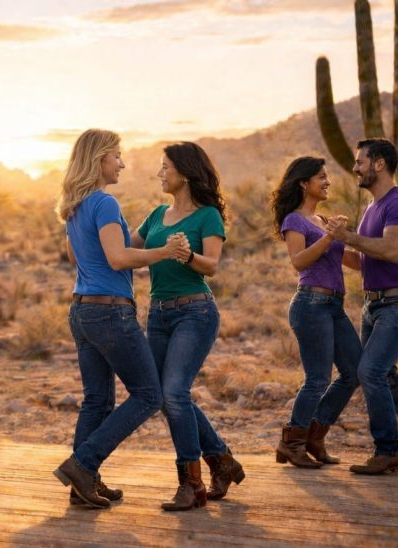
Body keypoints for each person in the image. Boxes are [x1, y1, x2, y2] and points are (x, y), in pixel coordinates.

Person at [51, 129, 187, 508]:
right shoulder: (104, 203)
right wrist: (165, 252)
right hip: (110, 311)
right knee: (149, 394)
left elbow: (77, 257)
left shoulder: (74, 206)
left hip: (82, 310)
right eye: (117, 156)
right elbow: (118, 258)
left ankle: (84, 483)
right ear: (99, 160)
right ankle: (83, 465)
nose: (122, 164)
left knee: (96, 400)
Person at [131, 142, 243, 511]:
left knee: (175, 392)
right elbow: (128, 250)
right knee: (164, 395)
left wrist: (186, 254)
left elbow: (211, 265)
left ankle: (191, 485)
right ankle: (221, 461)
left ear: (185, 171)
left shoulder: (208, 216)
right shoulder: (156, 214)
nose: (160, 173)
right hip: (158, 315)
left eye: (165, 167)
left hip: (195, 312)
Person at [325, 138, 398, 474]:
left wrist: (347, 237)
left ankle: (388, 450)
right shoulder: (373, 207)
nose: (355, 168)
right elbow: (366, 261)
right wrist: (329, 243)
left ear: (379, 164)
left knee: (371, 372)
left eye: (360, 162)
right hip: (375, 303)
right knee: (384, 372)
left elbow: (391, 250)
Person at [268, 157, 361, 468]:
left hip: (334, 305)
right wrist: (331, 236)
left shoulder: (322, 220)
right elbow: (298, 261)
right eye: (321, 177)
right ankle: (291, 443)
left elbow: (349, 260)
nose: (327, 181)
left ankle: (314, 437)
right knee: (318, 379)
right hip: (311, 304)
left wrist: (377, 250)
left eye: (327, 176)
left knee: (354, 372)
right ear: (303, 182)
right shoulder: (294, 220)